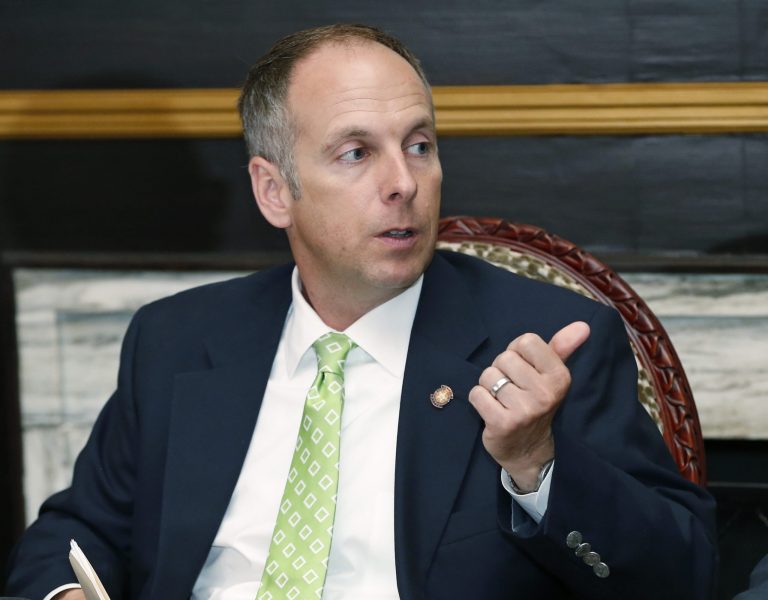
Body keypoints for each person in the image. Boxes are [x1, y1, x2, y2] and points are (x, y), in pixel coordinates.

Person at [6, 24, 716, 600]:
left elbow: (680, 577)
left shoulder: (545, 341)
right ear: (274, 191)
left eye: (419, 146)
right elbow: (73, 533)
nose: (403, 182)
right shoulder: (178, 340)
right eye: (355, 153)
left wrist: (538, 464)